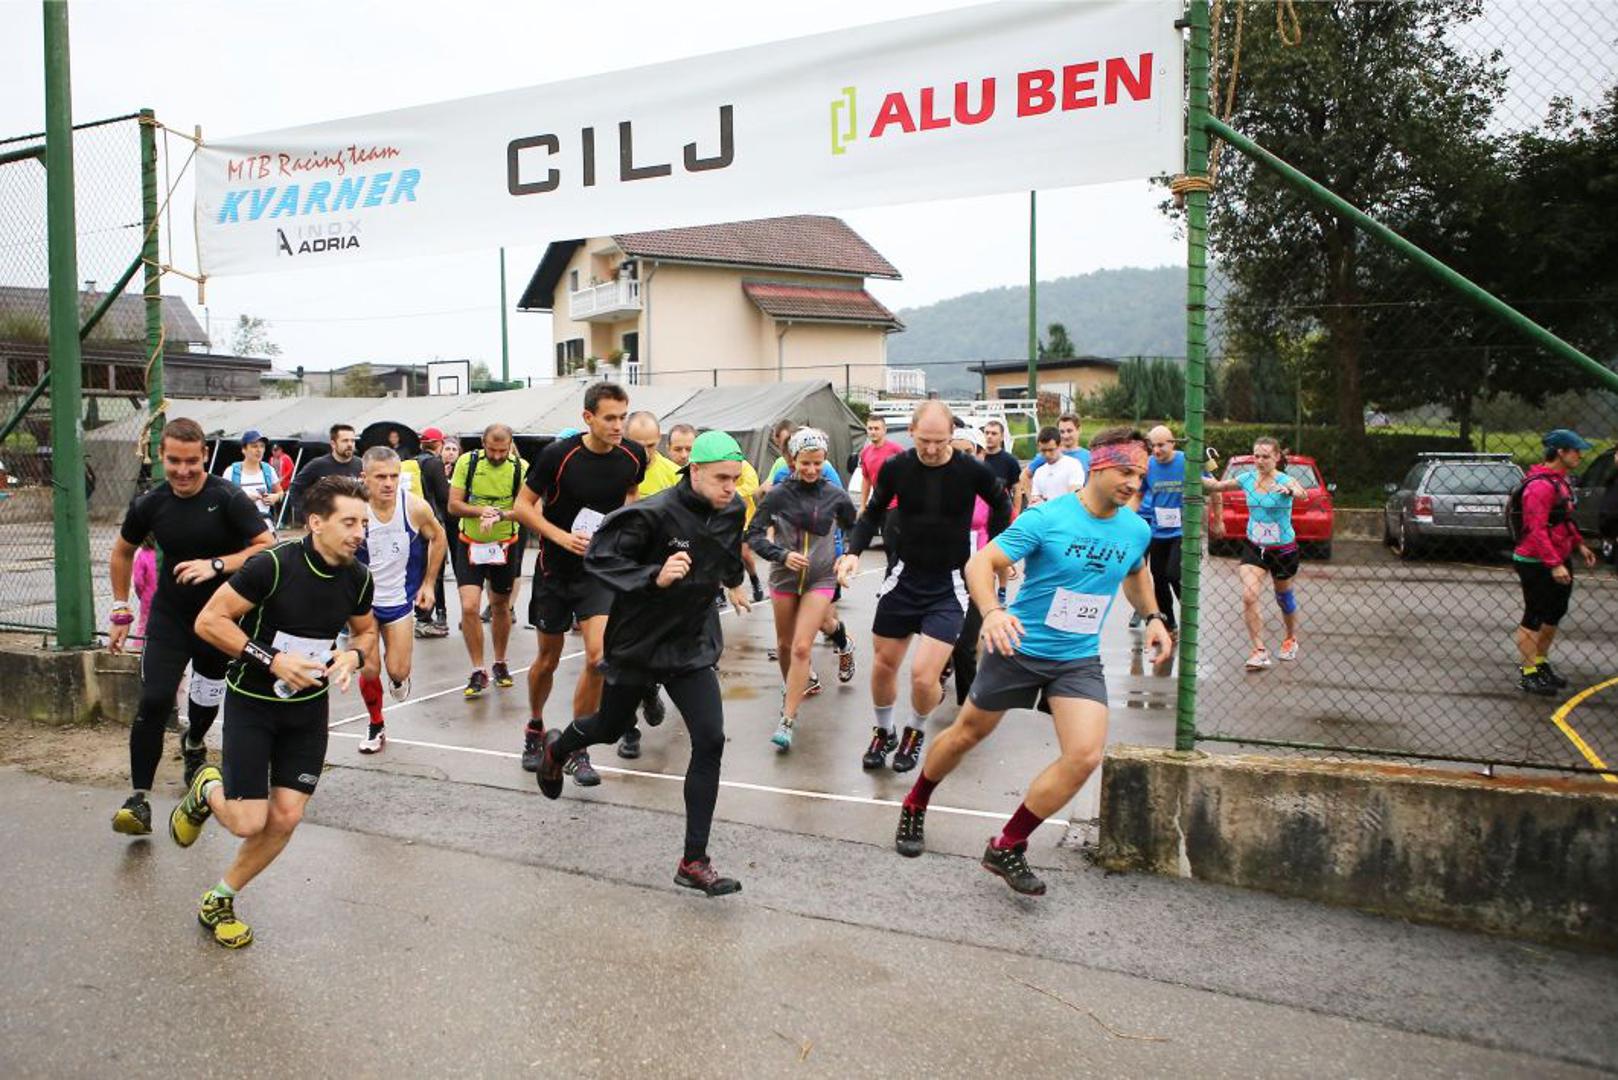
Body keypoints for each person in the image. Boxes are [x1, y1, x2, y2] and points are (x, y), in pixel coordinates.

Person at [893, 428, 1170, 897]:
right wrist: (993, 613)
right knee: (967, 734)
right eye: (1126, 471)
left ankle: (1008, 844)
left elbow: (1136, 572)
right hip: (1018, 648)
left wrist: (1154, 616)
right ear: (1099, 466)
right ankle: (916, 802)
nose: (1133, 483)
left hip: (1077, 659)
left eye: (1140, 475)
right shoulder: (1048, 518)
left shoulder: (1135, 529)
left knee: (1084, 755)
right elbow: (980, 564)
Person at [536, 431, 753, 896]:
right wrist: (654, 575)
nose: (730, 488)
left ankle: (693, 861)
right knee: (609, 727)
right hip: (640, 641)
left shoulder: (732, 508)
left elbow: (726, 549)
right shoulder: (652, 513)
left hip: (691, 643)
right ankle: (557, 750)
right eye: (721, 478)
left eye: (735, 478)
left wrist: (735, 580)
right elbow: (601, 557)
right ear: (695, 471)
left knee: (710, 739)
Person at [173, 476, 379, 947]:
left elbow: (367, 632)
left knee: (285, 818)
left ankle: (220, 898)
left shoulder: (358, 577)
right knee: (248, 822)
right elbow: (210, 621)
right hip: (253, 704)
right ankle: (207, 788)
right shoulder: (272, 565)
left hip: (307, 711)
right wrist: (272, 660)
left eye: (363, 524)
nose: (359, 533)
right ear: (316, 523)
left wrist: (353, 655)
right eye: (349, 523)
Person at [105, 418, 275, 835]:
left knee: (204, 703)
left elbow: (265, 547)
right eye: (174, 462)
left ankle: (195, 742)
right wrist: (120, 609)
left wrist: (215, 565)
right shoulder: (151, 503)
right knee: (154, 700)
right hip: (171, 617)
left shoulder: (227, 497)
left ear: (205, 457)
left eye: (191, 462)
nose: (182, 471)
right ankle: (138, 800)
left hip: (219, 620)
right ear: (161, 457)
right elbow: (122, 552)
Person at [837, 401, 1011, 773]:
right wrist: (853, 552)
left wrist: (997, 551)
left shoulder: (970, 470)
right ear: (912, 432)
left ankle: (915, 731)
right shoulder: (897, 467)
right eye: (924, 441)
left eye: (940, 441)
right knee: (884, 665)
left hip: (949, 585)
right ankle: (884, 732)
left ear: (952, 435)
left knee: (923, 676)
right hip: (904, 578)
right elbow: (872, 511)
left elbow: (1002, 503)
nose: (931, 449)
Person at [513, 385, 645, 786]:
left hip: (598, 572)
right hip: (555, 571)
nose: (618, 425)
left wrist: (621, 532)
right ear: (588, 418)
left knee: (597, 657)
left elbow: (631, 493)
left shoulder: (632, 455)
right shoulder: (558, 455)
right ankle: (535, 726)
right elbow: (521, 506)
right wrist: (560, 537)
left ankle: (575, 746)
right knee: (547, 660)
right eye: (610, 418)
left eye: (623, 417)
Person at [748, 428, 859, 750]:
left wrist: (847, 556)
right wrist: (781, 555)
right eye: (805, 463)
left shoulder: (835, 495)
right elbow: (753, 535)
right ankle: (792, 690)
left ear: (825, 461)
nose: (812, 470)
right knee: (784, 646)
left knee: (800, 647)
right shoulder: (778, 495)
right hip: (784, 577)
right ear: (792, 460)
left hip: (820, 578)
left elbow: (855, 529)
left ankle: (787, 719)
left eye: (818, 463)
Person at [354, 447, 447, 753]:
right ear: (364, 477)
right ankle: (376, 724)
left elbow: (439, 537)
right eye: (380, 477)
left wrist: (429, 584)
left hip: (399, 599)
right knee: (369, 669)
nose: (388, 483)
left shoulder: (414, 507)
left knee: (397, 670)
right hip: (362, 603)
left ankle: (398, 678)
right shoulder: (353, 510)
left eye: (394, 476)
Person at [1203, 436, 1308, 670]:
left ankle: (1291, 638)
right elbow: (1217, 487)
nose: (1260, 461)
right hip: (1254, 547)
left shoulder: (1285, 480)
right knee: (1249, 596)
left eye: (1265, 457)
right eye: (1256, 456)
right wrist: (1194, 470)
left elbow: (1303, 493)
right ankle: (1259, 651)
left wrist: (1290, 490)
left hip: (1283, 549)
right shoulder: (1247, 478)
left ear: (1277, 457)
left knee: (1284, 598)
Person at [1512, 429, 1599, 695]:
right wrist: (1553, 564)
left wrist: (1579, 544)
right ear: (1560, 452)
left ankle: (1540, 663)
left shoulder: (1561, 482)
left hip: (1558, 555)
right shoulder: (1540, 486)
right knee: (1535, 614)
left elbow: (1564, 519)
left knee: (1555, 612)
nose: (1580, 456)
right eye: (1576, 451)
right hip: (1535, 560)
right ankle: (1528, 673)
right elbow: (1536, 529)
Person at [614, 411, 680, 758]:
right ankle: (628, 729)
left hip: (658, 576)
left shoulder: (671, 474)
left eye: (652, 445)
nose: (645, 452)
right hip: (620, 573)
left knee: (652, 651)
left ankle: (649, 689)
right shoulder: (611, 468)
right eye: (637, 445)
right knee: (619, 655)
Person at [447, 423, 527, 698]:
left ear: (510, 446)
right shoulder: (467, 463)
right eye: (492, 450)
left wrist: (500, 515)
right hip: (470, 543)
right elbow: (454, 505)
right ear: (483, 444)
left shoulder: (520, 468)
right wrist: (482, 510)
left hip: (505, 544)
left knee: (500, 606)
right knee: (469, 606)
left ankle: (500, 662)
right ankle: (478, 669)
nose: (496, 456)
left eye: (502, 451)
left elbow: (527, 510)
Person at [1139, 425, 1186, 640]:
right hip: (1157, 530)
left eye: (1161, 445)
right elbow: (1138, 494)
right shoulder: (1148, 465)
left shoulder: (1185, 461)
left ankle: (1189, 612)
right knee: (1158, 578)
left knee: (1174, 574)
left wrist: (1218, 517)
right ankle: (1169, 624)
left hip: (1181, 531)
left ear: (1172, 443)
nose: (1156, 450)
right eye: (1153, 446)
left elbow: (1211, 485)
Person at [412, 426, 453, 636]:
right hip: (432, 521)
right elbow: (444, 496)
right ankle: (425, 619)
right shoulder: (434, 463)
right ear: (439, 443)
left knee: (421, 570)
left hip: (414, 521)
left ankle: (426, 616)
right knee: (433, 572)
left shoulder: (413, 462)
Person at [858, 413, 906, 568]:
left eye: (876, 428)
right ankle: (893, 570)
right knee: (886, 543)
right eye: (870, 428)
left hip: (896, 504)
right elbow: (866, 479)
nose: (873, 432)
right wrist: (862, 505)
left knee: (891, 539)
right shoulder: (865, 452)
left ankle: (894, 571)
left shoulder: (896, 450)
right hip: (879, 503)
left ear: (884, 430)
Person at [288, 424, 362, 522]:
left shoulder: (361, 464)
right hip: (327, 521)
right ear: (333, 444)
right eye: (345, 441)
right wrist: (305, 515)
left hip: (353, 520)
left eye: (352, 441)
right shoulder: (318, 464)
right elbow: (295, 488)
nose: (350, 444)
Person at [227, 429, 285, 527]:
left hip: (266, 527)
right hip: (240, 528)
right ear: (244, 449)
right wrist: (243, 498)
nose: (259, 450)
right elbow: (224, 500)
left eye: (262, 446)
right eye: (254, 446)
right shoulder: (231, 472)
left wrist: (275, 497)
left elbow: (281, 493)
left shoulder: (269, 470)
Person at [1027, 427, 1085, 505]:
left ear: (1060, 445)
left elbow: (1073, 496)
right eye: (1043, 451)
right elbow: (1035, 499)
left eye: (1051, 450)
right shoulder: (1039, 472)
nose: (1047, 454)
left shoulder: (1073, 465)